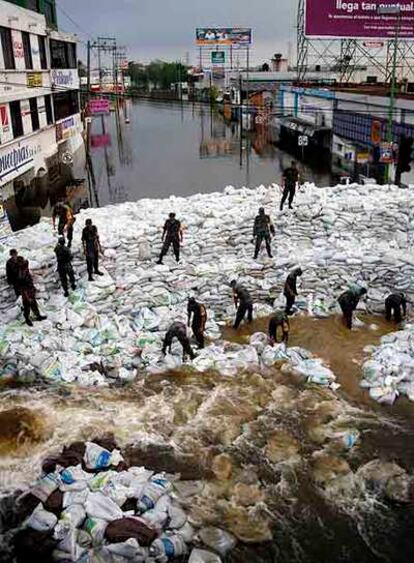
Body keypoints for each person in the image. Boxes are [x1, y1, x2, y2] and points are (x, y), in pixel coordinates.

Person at [15, 258, 47, 327]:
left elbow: (27, 263)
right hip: (26, 293)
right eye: (23, 262)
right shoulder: (21, 275)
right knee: (27, 307)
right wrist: (28, 297)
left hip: (30, 291)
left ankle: (38, 316)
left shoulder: (25, 270)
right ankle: (27, 319)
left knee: (34, 305)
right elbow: (23, 289)